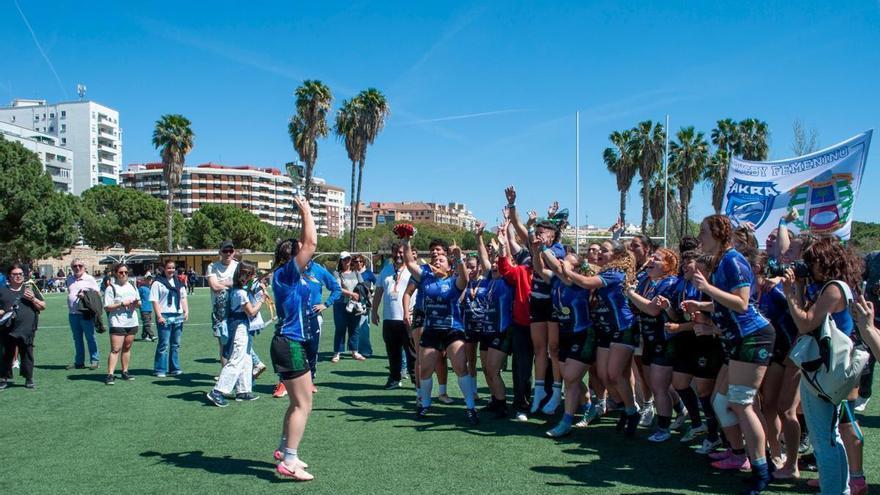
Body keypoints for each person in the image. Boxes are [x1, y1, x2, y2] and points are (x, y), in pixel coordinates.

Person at [683, 215, 775, 494]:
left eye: (703, 232)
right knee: (727, 401)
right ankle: (744, 456)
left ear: (720, 234)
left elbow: (742, 303)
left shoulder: (733, 260)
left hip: (752, 337)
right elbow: (725, 303)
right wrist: (703, 303)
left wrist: (706, 289)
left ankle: (761, 470)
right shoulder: (723, 260)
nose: (699, 237)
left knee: (742, 403)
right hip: (738, 340)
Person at [784, 237, 868, 495]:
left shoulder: (833, 289)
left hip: (825, 371)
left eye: (812, 262)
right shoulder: (839, 286)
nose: (808, 267)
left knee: (823, 439)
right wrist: (799, 288)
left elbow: (805, 323)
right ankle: (839, 489)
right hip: (830, 369)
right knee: (832, 435)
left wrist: (790, 294)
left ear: (826, 261)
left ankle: (833, 490)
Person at [401, 230, 477, 425]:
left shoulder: (454, 280)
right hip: (432, 329)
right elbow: (410, 263)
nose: (437, 259)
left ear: (449, 264)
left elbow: (465, 279)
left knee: (460, 367)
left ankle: (470, 407)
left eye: (442, 258)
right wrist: (406, 242)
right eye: (435, 257)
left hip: (453, 329)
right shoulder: (426, 277)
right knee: (424, 369)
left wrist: (459, 258)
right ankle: (425, 404)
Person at [567, 240, 639, 436]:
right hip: (606, 329)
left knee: (615, 374)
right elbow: (587, 273)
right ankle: (626, 407)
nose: (599, 253)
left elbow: (585, 282)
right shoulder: (604, 270)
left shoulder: (615, 273)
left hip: (623, 327)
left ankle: (632, 411)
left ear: (616, 254)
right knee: (603, 375)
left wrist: (567, 269)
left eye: (604, 251)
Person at [270, 195, 317, 481]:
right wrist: (306, 211)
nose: (307, 256)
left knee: (296, 402)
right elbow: (310, 242)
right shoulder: (287, 274)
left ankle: (285, 450)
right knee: (303, 404)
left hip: (287, 342)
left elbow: (305, 243)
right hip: (290, 343)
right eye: (299, 253)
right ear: (292, 257)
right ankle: (288, 461)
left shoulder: (288, 275)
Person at [748, 250, 801, 479]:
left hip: (788, 352)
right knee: (768, 404)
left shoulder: (775, 292)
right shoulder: (753, 292)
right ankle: (775, 452)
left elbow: (796, 320)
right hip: (768, 352)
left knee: (786, 409)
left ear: (757, 269)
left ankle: (793, 461)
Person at [624, 248, 680, 442]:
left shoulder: (670, 282)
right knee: (652, 383)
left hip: (664, 340)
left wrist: (631, 293)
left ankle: (664, 428)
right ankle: (681, 410)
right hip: (648, 338)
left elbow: (652, 309)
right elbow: (636, 305)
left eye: (656, 259)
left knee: (659, 387)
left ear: (667, 265)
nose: (650, 261)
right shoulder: (647, 281)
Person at [274, 257, 342, 398]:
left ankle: (310, 380)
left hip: (313, 317)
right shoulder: (290, 270)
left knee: (311, 350)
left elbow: (336, 289)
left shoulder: (319, 270)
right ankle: (285, 382)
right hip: (292, 319)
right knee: (293, 349)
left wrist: (326, 304)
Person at [207, 261, 264, 406]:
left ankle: (243, 390)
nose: (254, 277)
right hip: (239, 326)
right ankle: (218, 391)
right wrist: (261, 301)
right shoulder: (240, 293)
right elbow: (251, 312)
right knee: (237, 358)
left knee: (246, 358)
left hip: (240, 325)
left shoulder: (237, 289)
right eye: (252, 274)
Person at [372, 242, 417, 390]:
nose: (398, 255)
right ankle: (394, 378)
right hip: (389, 318)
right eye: (396, 252)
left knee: (412, 352)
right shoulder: (385, 270)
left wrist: (415, 310)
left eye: (401, 252)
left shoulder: (413, 270)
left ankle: (416, 379)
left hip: (408, 318)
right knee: (392, 351)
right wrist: (374, 311)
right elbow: (379, 291)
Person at [0, 263, 46, 390]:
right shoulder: (2, 291)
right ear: (9, 276)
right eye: (15, 274)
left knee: (27, 354)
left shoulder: (30, 289)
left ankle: (28, 378)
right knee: (5, 354)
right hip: (7, 328)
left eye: (20, 274)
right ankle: (4, 378)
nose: (18, 276)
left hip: (27, 327)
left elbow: (43, 306)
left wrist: (33, 299)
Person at [102, 263, 141, 385]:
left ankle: (125, 371)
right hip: (117, 322)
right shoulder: (111, 288)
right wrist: (122, 304)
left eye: (125, 272)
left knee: (127, 348)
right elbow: (107, 307)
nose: (123, 274)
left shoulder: (133, 286)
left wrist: (136, 303)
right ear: (115, 274)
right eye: (121, 272)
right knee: (115, 349)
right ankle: (110, 374)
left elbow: (139, 303)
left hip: (131, 321)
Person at [151, 260, 189, 378]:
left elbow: (183, 297)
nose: (171, 270)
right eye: (169, 268)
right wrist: (159, 316)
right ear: (163, 269)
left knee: (175, 344)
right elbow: (155, 300)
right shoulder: (157, 283)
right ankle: (160, 369)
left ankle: (174, 368)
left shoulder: (179, 282)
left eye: (173, 268)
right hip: (165, 315)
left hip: (177, 315)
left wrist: (186, 311)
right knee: (163, 344)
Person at [207, 241, 239, 369]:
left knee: (238, 341)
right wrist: (231, 284)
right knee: (223, 342)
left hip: (236, 308)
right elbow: (214, 286)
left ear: (234, 252)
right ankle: (225, 372)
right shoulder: (212, 267)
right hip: (219, 310)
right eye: (225, 251)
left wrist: (224, 283)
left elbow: (242, 284)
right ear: (220, 252)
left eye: (230, 251)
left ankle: (240, 371)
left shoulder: (238, 266)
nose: (228, 254)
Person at [331, 252, 367, 362]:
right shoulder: (336, 273)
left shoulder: (356, 273)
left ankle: (354, 351)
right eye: (344, 259)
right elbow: (338, 288)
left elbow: (362, 286)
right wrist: (352, 294)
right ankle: (337, 352)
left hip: (355, 305)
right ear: (340, 261)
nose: (347, 261)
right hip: (341, 305)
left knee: (354, 328)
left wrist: (364, 295)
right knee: (340, 328)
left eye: (348, 259)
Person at [66, 259, 101, 370]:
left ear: (84, 267)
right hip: (73, 314)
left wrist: (85, 296)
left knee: (90, 337)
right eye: (75, 266)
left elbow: (97, 295)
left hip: (85, 313)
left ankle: (95, 360)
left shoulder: (90, 279)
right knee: (77, 339)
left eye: (80, 265)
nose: (77, 268)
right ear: (72, 268)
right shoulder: (69, 279)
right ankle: (79, 362)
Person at [139, 275, 156, 341]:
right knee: (147, 323)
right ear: (145, 280)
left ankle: (144, 336)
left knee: (147, 322)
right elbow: (137, 296)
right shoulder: (141, 288)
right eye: (148, 279)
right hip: (143, 308)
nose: (150, 281)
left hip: (149, 308)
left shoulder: (150, 288)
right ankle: (152, 335)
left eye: (151, 280)